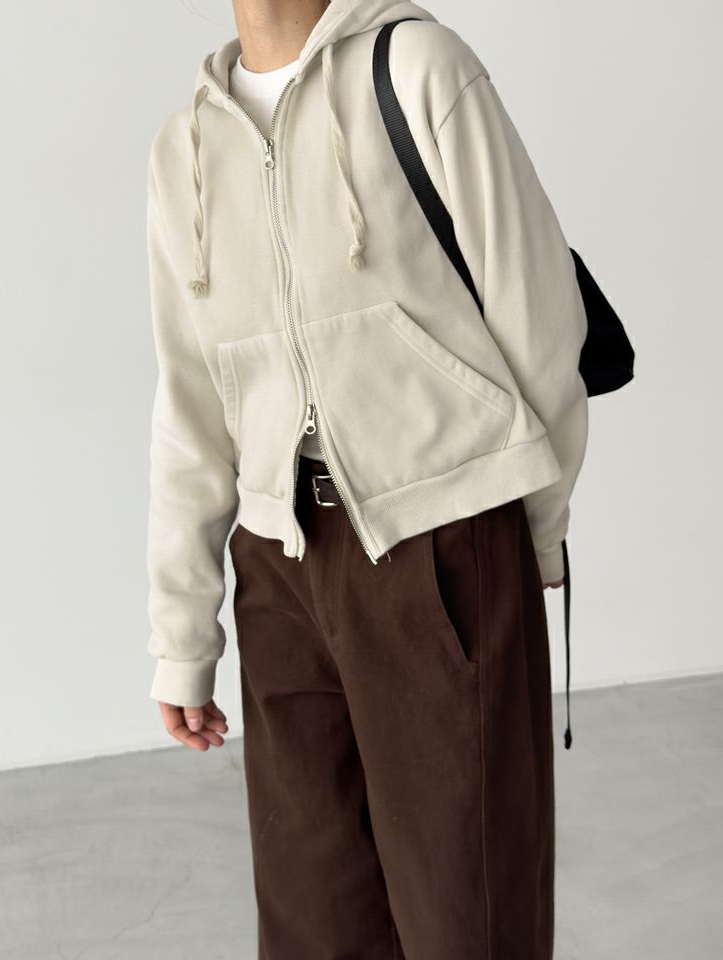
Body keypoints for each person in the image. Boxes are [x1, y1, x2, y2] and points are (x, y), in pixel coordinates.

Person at [144, 0, 588, 956]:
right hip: (280, 566)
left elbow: (540, 316)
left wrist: (533, 536)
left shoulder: (418, 67)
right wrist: (183, 634)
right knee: (315, 928)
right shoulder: (186, 146)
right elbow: (191, 402)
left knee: (469, 924)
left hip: (442, 542)